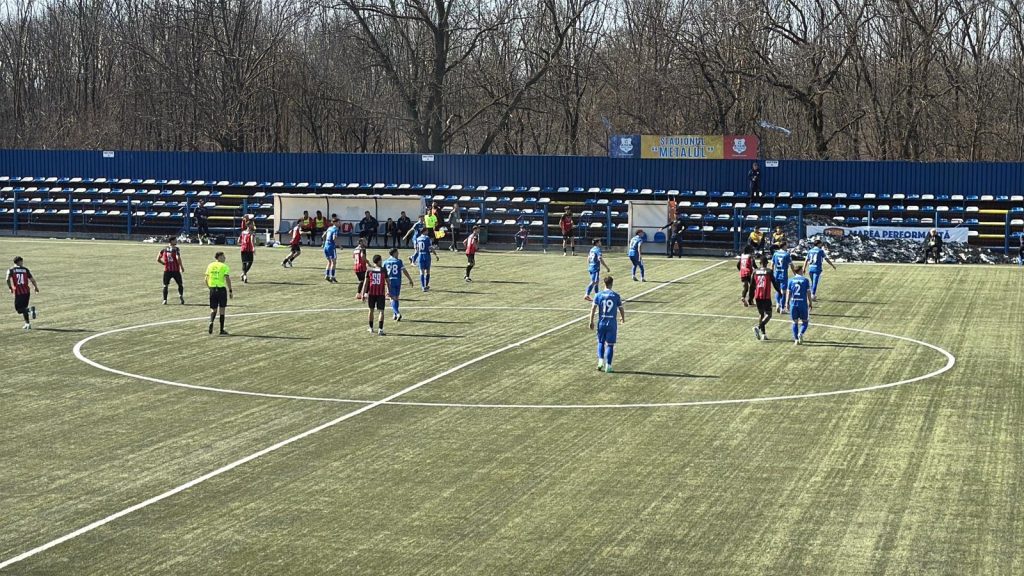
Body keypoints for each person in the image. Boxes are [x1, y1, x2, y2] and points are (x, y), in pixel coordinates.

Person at [589, 275, 625, 373]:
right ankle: (608, 366)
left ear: (604, 283)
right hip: (612, 324)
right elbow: (621, 308)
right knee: (610, 345)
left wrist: (591, 321)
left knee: (600, 342)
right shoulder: (615, 295)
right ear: (612, 284)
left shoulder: (598, 295)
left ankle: (600, 362)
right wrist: (622, 318)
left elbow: (593, 309)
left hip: (602, 323)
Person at [6, 256, 38, 330]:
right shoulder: (25, 270)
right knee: (24, 308)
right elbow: (32, 280)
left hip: (18, 292)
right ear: (19, 262)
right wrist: (35, 287)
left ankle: (30, 310)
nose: (22, 263)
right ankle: (27, 324)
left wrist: (10, 287)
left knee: (19, 310)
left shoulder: (11, 270)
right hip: (26, 291)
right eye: (22, 261)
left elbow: (7, 279)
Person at [204, 251, 233, 335]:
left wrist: (210, 288)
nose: (225, 258)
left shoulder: (210, 265)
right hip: (221, 289)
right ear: (219, 257)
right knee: (222, 309)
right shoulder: (224, 266)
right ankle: (221, 329)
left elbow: (206, 278)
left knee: (213, 309)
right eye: (223, 256)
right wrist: (230, 290)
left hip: (212, 289)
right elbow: (227, 279)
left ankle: (211, 321)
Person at [382, 248, 414, 321]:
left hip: (390, 281)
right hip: (398, 281)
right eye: (397, 252)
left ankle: (397, 313)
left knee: (392, 298)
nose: (398, 254)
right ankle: (395, 314)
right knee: (396, 298)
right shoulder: (399, 261)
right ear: (394, 253)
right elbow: (404, 271)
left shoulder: (385, 262)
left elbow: (382, 273)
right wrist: (410, 279)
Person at [363, 254, 390, 335]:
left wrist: (363, 293)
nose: (382, 261)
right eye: (381, 260)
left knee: (371, 310)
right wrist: (388, 291)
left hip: (371, 293)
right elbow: (388, 282)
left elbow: (365, 283)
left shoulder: (369, 270)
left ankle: (371, 328)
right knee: (381, 311)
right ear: (378, 261)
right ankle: (380, 330)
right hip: (380, 293)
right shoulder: (383, 270)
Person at [786, 264, 813, 344]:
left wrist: (787, 303)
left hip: (793, 303)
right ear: (800, 271)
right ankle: (800, 333)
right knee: (805, 321)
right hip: (802, 303)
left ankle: (796, 340)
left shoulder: (790, 280)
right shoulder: (805, 280)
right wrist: (810, 302)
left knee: (795, 322)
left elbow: (788, 293)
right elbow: (808, 293)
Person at [751, 255, 774, 341]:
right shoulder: (769, 271)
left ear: (760, 262)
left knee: (761, 314)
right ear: (766, 263)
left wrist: (750, 298)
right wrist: (779, 291)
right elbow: (774, 282)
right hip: (766, 296)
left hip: (757, 296)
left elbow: (752, 285)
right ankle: (758, 327)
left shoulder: (755, 271)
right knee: (769, 314)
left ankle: (763, 334)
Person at [158, 237, 185, 305]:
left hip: (167, 270)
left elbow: (158, 259)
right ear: (171, 241)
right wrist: (181, 266)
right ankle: (181, 295)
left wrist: (164, 263)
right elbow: (178, 258)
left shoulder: (164, 249)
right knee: (180, 284)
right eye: (175, 240)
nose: (176, 241)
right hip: (176, 270)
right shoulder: (176, 249)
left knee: (165, 285)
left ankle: (165, 300)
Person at [771, 240, 796, 312]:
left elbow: (772, 265)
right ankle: (782, 308)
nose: (787, 246)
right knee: (784, 291)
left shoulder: (775, 254)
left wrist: (771, 274)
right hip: (783, 274)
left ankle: (777, 304)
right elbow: (791, 265)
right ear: (784, 246)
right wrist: (795, 274)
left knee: (778, 290)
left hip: (776, 274)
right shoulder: (786, 254)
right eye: (786, 245)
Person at [322, 217, 340, 283]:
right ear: (335, 223)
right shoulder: (336, 229)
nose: (339, 223)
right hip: (331, 247)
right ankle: (332, 276)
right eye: (338, 222)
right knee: (334, 262)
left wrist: (324, 243)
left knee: (329, 262)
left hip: (326, 246)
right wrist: (339, 245)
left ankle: (327, 275)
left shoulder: (329, 228)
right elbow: (334, 238)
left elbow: (323, 236)